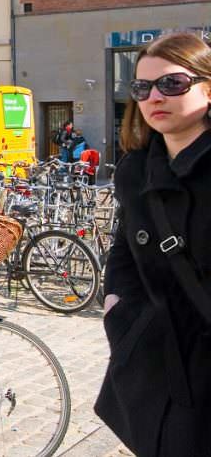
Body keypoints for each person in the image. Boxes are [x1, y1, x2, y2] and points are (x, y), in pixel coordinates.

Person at [96, 31, 211, 456]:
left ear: (208, 87)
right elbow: (123, 250)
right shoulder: (136, 171)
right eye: (142, 87)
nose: (154, 97)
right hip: (157, 361)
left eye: (172, 84)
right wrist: (117, 312)